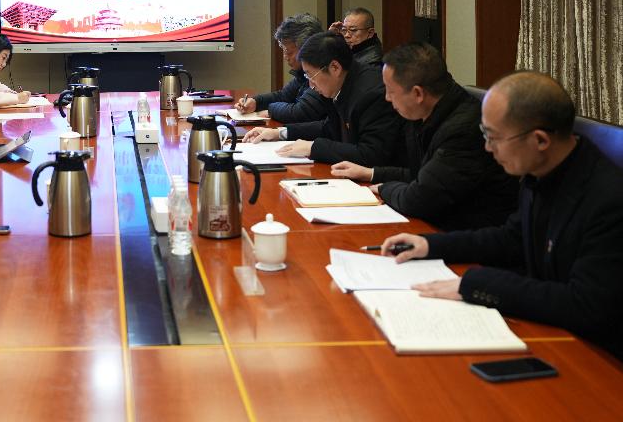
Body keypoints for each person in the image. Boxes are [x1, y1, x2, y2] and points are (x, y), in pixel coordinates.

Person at [380, 72, 623, 360]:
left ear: (540, 140)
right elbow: (513, 238)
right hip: (553, 333)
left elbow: (584, 305)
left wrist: (478, 283)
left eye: (493, 137)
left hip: (599, 357)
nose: (487, 147)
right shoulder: (541, 169)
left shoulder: (608, 199)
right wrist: (432, 245)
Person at [331, 42, 518, 230]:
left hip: (467, 232)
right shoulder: (425, 112)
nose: (387, 97)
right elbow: (423, 173)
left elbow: (418, 198)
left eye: (391, 91)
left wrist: (383, 188)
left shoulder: (462, 130)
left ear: (418, 93)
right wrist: (371, 173)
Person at [243, 32, 402, 166]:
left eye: (311, 75)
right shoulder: (343, 83)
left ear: (335, 68)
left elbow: (371, 154)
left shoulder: (370, 94)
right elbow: (330, 128)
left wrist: (313, 148)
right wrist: (279, 133)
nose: (311, 85)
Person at [233, 13, 325, 124]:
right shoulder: (301, 73)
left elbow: (300, 112)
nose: (285, 57)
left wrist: (270, 110)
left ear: (307, 48)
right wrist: (255, 102)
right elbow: (283, 96)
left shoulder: (322, 73)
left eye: (289, 52)